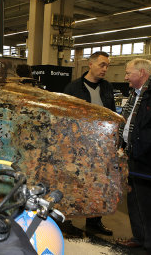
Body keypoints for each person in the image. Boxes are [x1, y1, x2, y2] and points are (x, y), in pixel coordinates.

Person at [117, 58, 151, 254]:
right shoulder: (136, 93)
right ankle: (139, 238)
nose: (125, 77)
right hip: (134, 154)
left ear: (142, 73)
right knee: (134, 200)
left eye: (128, 73)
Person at [63, 51, 114, 236]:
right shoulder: (73, 88)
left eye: (107, 65)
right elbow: (65, 117)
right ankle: (66, 222)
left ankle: (94, 221)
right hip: (78, 146)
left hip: (101, 146)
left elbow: (112, 114)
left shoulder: (107, 87)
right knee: (73, 183)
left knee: (98, 184)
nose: (105, 69)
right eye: (102, 64)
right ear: (90, 64)